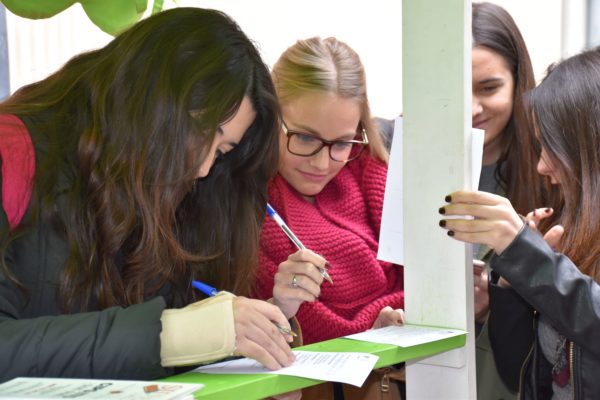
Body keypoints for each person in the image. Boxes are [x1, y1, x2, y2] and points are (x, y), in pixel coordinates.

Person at [0, 7, 297, 383]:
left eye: (222, 151)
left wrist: (240, 356)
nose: (203, 168)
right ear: (147, 97)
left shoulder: (154, 189)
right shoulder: (11, 150)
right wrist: (168, 335)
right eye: (200, 131)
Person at [439, 46, 600, 399]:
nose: (542, 165)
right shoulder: (573, 228)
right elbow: (519, 376)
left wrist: (530, 258)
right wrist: (512, 287)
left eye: (552, 146)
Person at [253, 36, 405, 399]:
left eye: (342, 143)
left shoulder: (378, 177)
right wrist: (281, 308)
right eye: (305, 138)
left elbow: (424, 288)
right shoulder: (240, 205)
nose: (322, 163)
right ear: (269, 116)